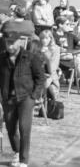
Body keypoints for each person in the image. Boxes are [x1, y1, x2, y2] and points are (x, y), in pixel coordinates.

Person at [0, 26, 46, 167]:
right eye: (8, 43)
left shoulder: (31, 57)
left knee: (24, 128)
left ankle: (23, 159)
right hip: (8, 98)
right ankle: (17, 152)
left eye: (13, 42)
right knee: (11, 128)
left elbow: (40, 78)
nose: (10, 46)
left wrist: (34, 96)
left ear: (20, 42)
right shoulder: (1, 59)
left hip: (26, 97)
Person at [35, 30, 60, 103]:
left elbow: (53, 65)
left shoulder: (55, 48)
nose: (44, 40)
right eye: (42, 38)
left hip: (50, 74)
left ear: (51, 39)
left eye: (46, 38)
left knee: (46, 81)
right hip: (38, 72)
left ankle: (48, 99)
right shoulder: (37, 47)